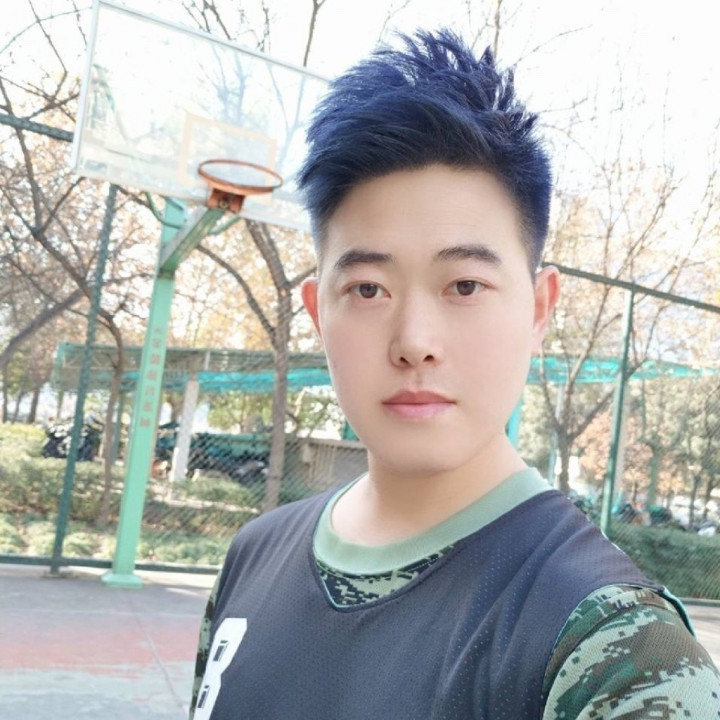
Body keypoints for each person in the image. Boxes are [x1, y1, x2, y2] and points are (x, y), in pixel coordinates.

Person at [190, 30, 720, 719]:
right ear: (319, 312)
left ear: (539, 308)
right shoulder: (252, 558)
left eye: (465, 285)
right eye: (369, 289)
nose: (415, 343)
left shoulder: (616, 650)